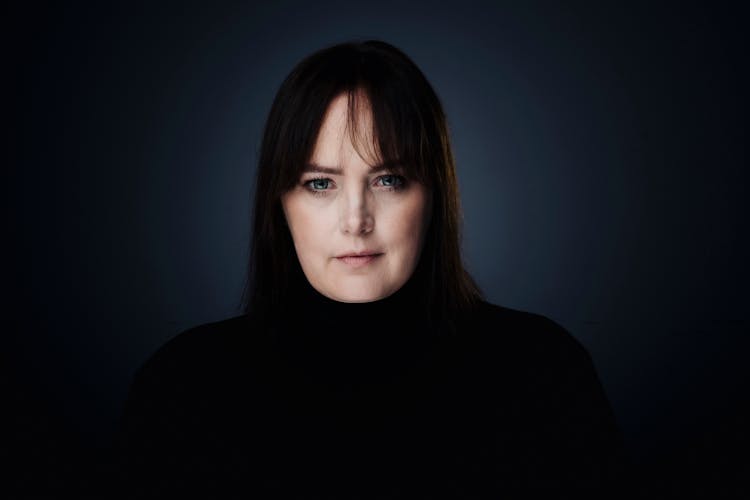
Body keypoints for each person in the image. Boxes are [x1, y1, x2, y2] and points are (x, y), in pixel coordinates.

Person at [112, 39, 631, 498]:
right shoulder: (185, 390)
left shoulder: (541, 375)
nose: (356, 220)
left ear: (434, 197)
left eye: (388, 180)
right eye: (320, 183)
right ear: (280, 203)